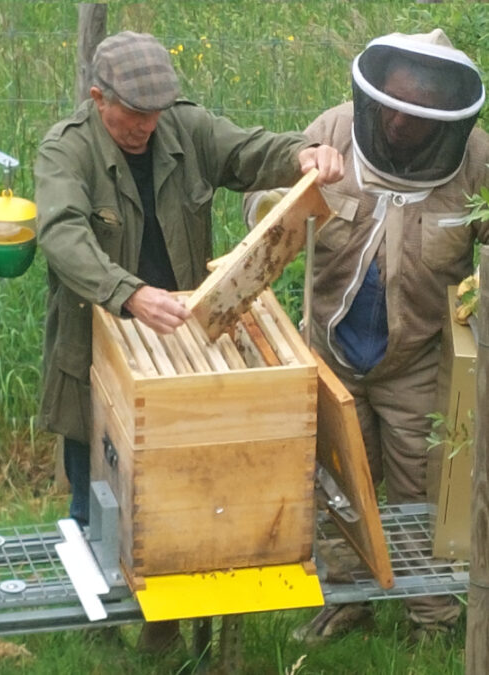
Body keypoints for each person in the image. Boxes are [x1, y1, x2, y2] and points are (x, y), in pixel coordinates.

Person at [35, 30, 343, 652]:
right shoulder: (64, 153)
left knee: (182, 495)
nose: (146, 128)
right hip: (101, 340)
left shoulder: (185, 127)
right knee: (94, 492)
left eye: (154, 115)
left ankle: (167, 625)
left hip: (184, 338)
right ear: (98, 98)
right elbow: (63, 234)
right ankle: (95, 633)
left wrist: (305, 153)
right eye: (133, 116)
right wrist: (128, 292)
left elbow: (249, 151)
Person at [244, 29, 488, 642]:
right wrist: (286, 198)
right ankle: (348, 598)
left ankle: (429, 615)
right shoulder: (332, 129)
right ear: (373, 96)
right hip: (330, 348)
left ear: (446, 118)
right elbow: (263, 209)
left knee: (420, 486)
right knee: (334, 480)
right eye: (391, 107)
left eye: (417, 114)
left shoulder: (477, 160)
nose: (399, 123)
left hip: (417, 361)